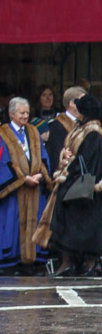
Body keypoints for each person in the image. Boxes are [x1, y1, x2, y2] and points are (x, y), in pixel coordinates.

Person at [0, 97, 51, 275]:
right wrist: (23, 179)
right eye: (22, 113)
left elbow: (43, 157)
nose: (25, 116)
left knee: (33, 224)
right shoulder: (0, 135)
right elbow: (1, 163)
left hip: (34, 190)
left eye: (27, 112)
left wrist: (40, 175)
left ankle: (30, 263)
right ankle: (11, 263)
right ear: (11, 114)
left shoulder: (34, 132)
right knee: (11, 226)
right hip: (14, 192)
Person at [49, 94, 102, 276]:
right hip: (74, 181)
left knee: (82, 227)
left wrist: (69, 169)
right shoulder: (82, 128)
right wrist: (65, 158)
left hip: (85, 187)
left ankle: (86, 263)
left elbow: (88, 161)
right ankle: (70, 263)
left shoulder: (93, 132)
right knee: (71, 225)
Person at [46, 87, 86, 175]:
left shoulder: (86, 123)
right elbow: (56, 156)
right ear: (72, 104)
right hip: (68, 178)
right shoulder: (57, 125)